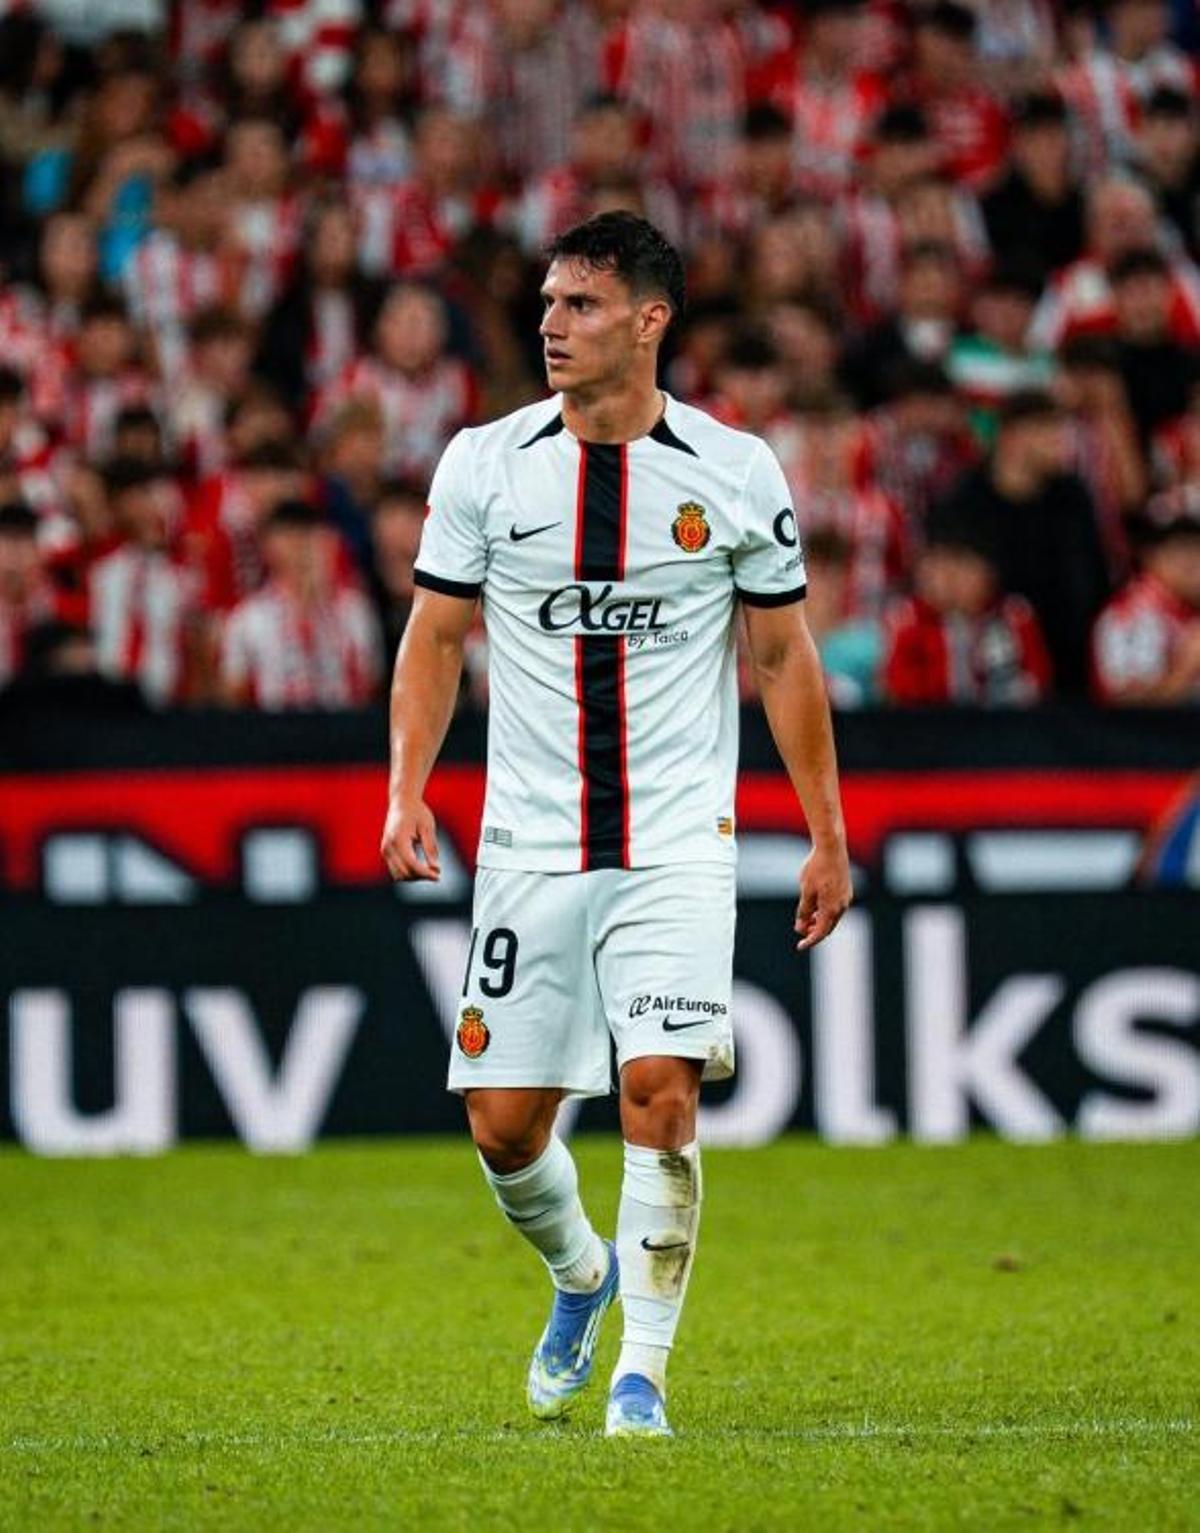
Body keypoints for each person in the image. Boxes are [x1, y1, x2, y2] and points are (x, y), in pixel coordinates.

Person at [379, 212, 851, 1438]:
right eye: (548, 302)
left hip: (676, 843)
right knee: (502, 1131)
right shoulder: (485, 463)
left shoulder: (732, 471)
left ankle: (642, 1377)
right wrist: (406, 787)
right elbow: (436, 636)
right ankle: (582, 1275)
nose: (551, 323)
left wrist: (826, 832)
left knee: (658, 1090)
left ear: (650, 321)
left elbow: (783, 657)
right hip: (528, 848)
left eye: (580, 304)